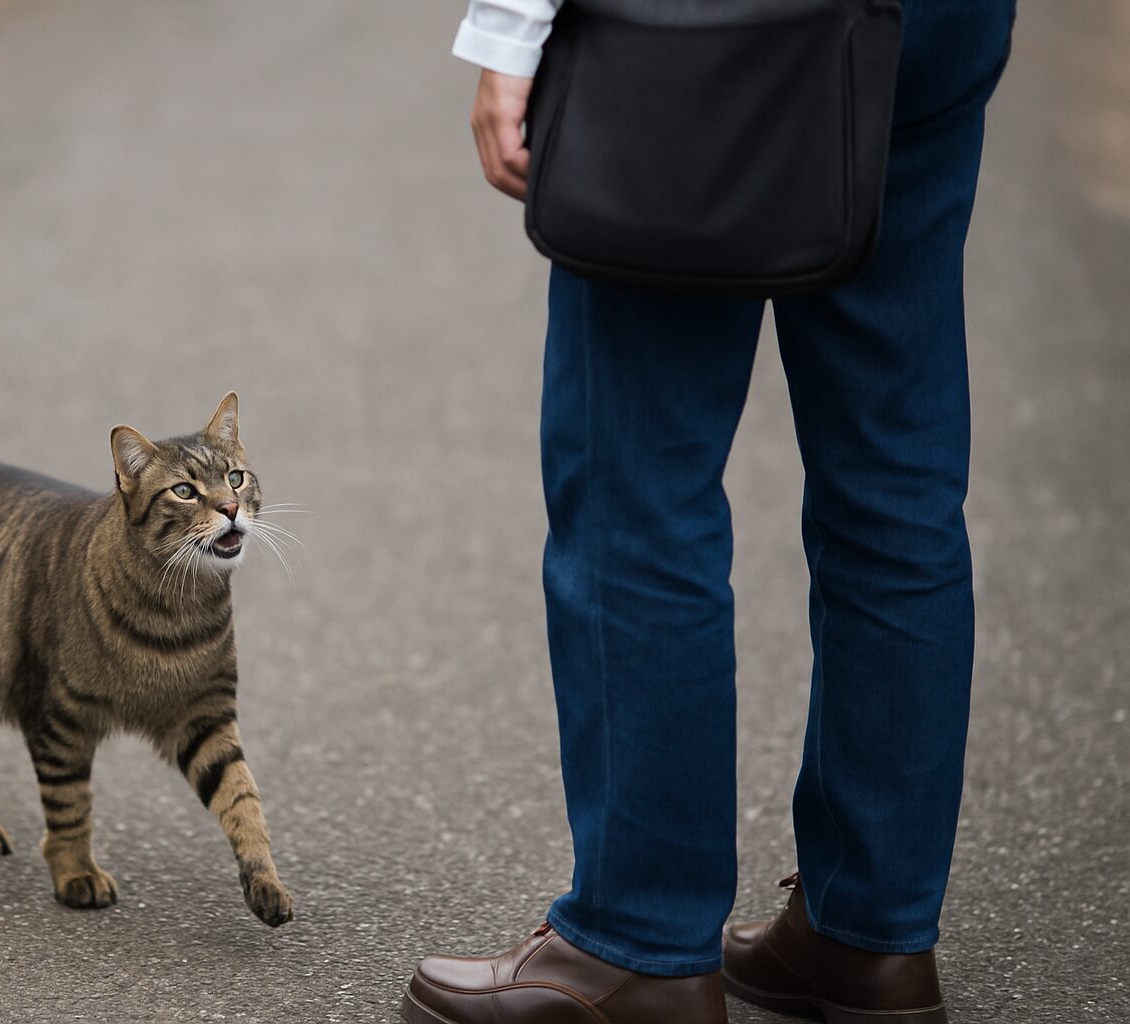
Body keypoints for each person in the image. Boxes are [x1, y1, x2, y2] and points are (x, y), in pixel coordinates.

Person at [403, 1, 1018, 1022]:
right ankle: (870, 937)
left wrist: (511, 28)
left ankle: (640, 944)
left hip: (698, 30)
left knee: (637, 478)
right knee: (895, 477)